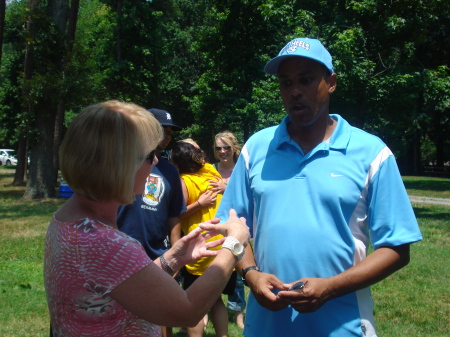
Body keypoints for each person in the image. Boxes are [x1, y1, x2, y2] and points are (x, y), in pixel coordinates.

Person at [216, 38, 423, 337]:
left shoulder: (371, 152)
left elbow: (397, 247)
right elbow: (232, 224)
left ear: (332, 82)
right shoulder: (256, 148)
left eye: (306, 79)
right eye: (286, 82)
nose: (294, 91)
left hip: (343, 324)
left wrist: (330, 288)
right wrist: (251, 275)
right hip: (265, 325)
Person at [44, 100, 249, 337]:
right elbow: (187, 311)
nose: (155, 162)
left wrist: (172, 258)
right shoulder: (107, 244)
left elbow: (118, 282)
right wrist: (234, 245)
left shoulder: (67, 219)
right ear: (119, 164)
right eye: (149, 154)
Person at [116, 108, 185, 337]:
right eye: (160, 130)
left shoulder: (170, 171)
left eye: (169, 132)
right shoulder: (122, 163)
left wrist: (175, 253)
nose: (166, 136)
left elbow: (174, 214)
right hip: (122, 248)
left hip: (156, 251)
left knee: (160, 311)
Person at [170, 140, 236, 337]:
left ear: (177, 163)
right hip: (222, 244)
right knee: (215, 299)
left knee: (193, 302)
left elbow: (177, 214)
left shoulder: (184, 181)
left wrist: (198, 203)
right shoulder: (210, 171)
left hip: (199, 249)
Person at [211, 132, 246, 330]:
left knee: (238, 273)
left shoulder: (240, 170)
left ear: (234, 149)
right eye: (218, 148)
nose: (222, 151)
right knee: (213, 269)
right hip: (213, 227)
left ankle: (238, 315)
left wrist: (225, 187)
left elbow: (245, 195)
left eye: (226, 147)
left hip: (235, 227)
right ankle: (211, 310)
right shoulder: (209, 170)